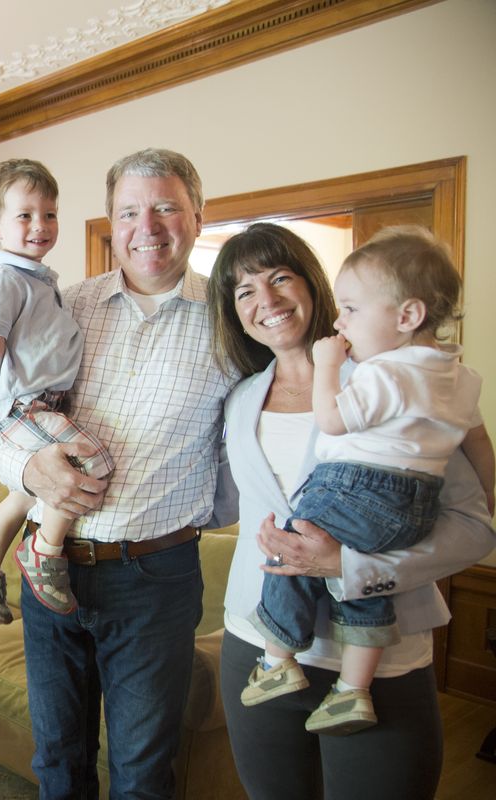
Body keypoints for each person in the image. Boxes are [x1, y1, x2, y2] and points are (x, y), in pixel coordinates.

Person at [0, 148, 238, 798]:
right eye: (131, 211)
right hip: (46, 571)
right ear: (112, 221)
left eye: (167, 207)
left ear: (197, 216)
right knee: (58, 763)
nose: (149, 226)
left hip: (153, 583)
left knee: (142, 777)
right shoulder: (65, 301)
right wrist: (30, 469)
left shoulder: (231, 326)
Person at [207, 222, 496, 798]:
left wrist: (347, 565)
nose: (265, 300)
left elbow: (474, 528)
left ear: (313, 286)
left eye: (280, 277)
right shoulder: (238, 399)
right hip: (253, 639)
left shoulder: (399, 380)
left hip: (376, 658)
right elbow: (213, 504)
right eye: (244, 290)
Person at [0, 158, 114, 625]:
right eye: (24, 215)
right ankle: (44, 552)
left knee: (28, 492)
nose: (39, 225)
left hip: (40, 402)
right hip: (25, 405)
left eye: (49, 214)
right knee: (92, 461)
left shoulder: (38, 278)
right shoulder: (6, 279)